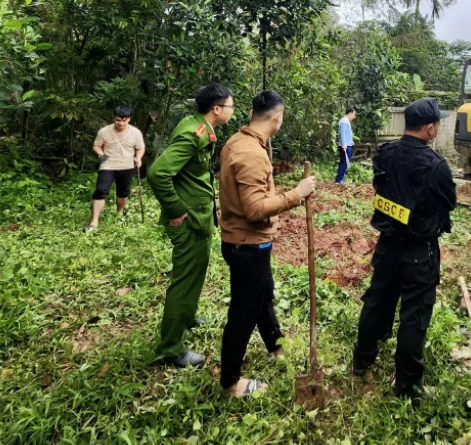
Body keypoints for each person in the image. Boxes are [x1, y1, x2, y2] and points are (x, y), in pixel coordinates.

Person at [352, 97, 457, 400]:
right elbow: (449, 201)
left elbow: (380, 187)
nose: (437, 127)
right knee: (414, 315)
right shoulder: (436, 166)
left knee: (377, 301)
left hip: (386, 246)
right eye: (437, 123)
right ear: (430, 128)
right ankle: (407, 386)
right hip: (418, 251)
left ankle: (362, 360)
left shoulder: (384, 153)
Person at [217, 90, 318, 397]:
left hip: (244, 242)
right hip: (247, 244)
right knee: (243, 312)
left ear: (251, 114)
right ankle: (230, 383)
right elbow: (255, 208)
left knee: (263, 296)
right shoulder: (251, 154)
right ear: (278, 118)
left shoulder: (237, 141)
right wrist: (297, 194)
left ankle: (277, 347)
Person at [147, 84, 235, 368]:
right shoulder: (192, 134)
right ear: (217, 109)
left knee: (196, 270)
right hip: (188, 219)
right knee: (184, 280)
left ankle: (186, 316)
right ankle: (170, 348)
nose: (232, 111)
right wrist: (175, 210)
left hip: (198, 217)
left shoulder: (199, 127)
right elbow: (158, 173)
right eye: (230, 106)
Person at [87, 106, 146, 232]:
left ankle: (119, 213)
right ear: (114, 118)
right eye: (118, 120)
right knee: (100, 191)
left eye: (124, 120)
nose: (121, 123)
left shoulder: (135, 133)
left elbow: (140, 148)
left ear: (129, 119)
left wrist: (139, 158)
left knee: (123, 194)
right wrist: (101, 154)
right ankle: (94, 222)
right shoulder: (104, 131)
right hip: (108, 165)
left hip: (126, 166)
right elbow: (97, 146)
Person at [336, 107, 356, 183]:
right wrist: (344, 144)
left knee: (344, 162)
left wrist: (350, 141)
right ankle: (339, 179)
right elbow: (342, 133)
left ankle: (340, 179)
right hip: (345, 146)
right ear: (350, 113)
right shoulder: (344, 121)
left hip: (347, 144)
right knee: (344, 162)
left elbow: (346, 133)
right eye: (354, 114)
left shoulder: (345, 121)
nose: (354, 116)